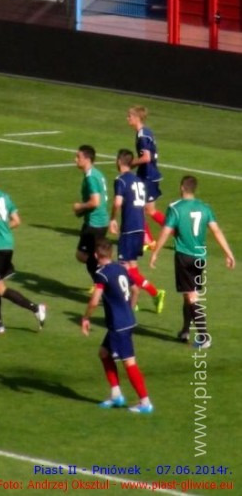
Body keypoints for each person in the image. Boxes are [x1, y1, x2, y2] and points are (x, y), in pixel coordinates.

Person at [150, 176, 235, 348]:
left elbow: (166, 231)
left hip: (184, 256)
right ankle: (185, 331)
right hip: (200, 258)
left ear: (182, 187)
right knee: (188, 294)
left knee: (191, 296)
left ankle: (204, 336)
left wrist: (155, 252)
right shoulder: (205, 208)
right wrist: (229, 253)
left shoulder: (175, 208)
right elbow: (216, 231)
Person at [81, 238, 153, 414]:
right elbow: (135, 290)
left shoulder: (102, 274)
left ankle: (145, 402)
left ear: (96, 255)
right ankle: (116, 395)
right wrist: (128, 309)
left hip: (118, 326)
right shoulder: (121, 268)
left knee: (129, 362)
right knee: (104, 353)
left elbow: (94, 301)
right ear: (111, 253)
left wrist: (86, 318)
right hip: (127, 321)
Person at [0, 164, 46, 333]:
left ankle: (36, 308)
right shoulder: (4, 196)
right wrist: (3, 228)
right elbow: (16, 221)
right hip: (8, 244)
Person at [109, 149, 165, 314]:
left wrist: (112, 219)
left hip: (129, 229)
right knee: (132, 266)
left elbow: (117, 202)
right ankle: (150, 295)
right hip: (140, 227)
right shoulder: (138, 181)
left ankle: (137, 296)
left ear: (119, 161)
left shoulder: (120, 180)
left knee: (123, 268)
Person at [127, 106, 165, 248]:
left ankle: (148, 241)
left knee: (137, 208)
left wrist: (131, 164)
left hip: (147, 176)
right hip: (150, 175)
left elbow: (146, 158)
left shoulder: (142, 135)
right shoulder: (146, 131)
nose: (127, 118)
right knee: (150, 210)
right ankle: (180, 233)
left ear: (137, 118)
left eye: (130, 116)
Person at [72, 145, 109, 280]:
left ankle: (104, 280)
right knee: (90, 255)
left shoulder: (91, 177)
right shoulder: (97, 173)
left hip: (95, 223)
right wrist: (82, 212)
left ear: (87, 159)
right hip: (100, 221)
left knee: (84, 255)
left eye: (78, 157)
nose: (75, 159)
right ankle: (105, 276)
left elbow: (95, 202)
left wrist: (80, 206)